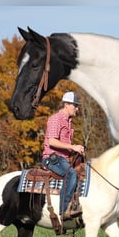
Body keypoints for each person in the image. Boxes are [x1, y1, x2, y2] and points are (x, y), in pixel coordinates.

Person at [41, 91, 85, 220]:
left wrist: (76, 151)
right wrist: (73, 147)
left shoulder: (69, 122)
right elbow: (52, 141)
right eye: (74, 105)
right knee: (71, 174)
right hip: (52, 158)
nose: (77, 108)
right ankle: (63, 211)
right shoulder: (56, 119)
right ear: (66, 104)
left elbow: (64, 144)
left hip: (63, 159)